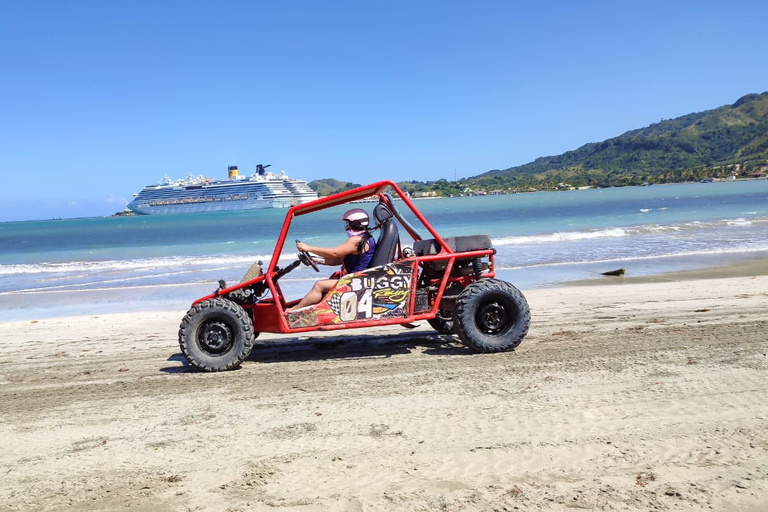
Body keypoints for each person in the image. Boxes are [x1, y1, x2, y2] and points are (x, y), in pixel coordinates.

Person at [287, 208, 376, 311]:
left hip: (354, 282)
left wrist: (308, 248)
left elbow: (335, 253)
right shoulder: (365, 238)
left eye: (348, 223)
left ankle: (294, 311)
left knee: (319, 285)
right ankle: (303, 309)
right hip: (355, 280)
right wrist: (318, 260)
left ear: (356, 224)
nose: (346, 227)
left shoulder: (356, 241)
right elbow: (339, 259)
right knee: (330, 280)